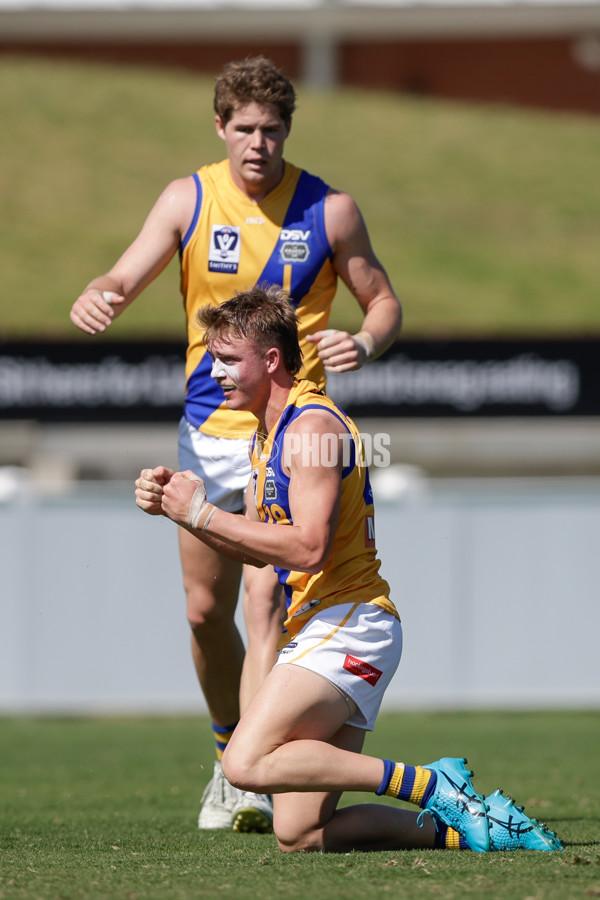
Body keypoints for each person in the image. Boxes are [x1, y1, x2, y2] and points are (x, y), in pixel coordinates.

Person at [69, 56, 402, 832]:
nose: (258, 143)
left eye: (272, 129)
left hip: (281, 434)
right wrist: (101, 293)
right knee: (200, 611)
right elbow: (125, 275)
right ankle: (233, 750)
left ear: (288, 130)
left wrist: (370, 340)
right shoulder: (189, 198)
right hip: (207, 433)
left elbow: (381, 298)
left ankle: (249, 774)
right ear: (220, 128)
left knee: (265, 603)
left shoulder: (329, 209)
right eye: (244, 129)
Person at [134, 286, 563, 854]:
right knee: (300, 833)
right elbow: (265, 550)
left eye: (229, 359)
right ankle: (468, 830)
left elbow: (308, 549)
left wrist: (202, 511)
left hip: (352, 623)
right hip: (323, 626)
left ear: (271, 360)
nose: (215, 372)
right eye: (212, 358)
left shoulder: (312, 429)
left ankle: (433, 784)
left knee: (244, 761)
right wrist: (186, 516)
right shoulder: (266, 434)